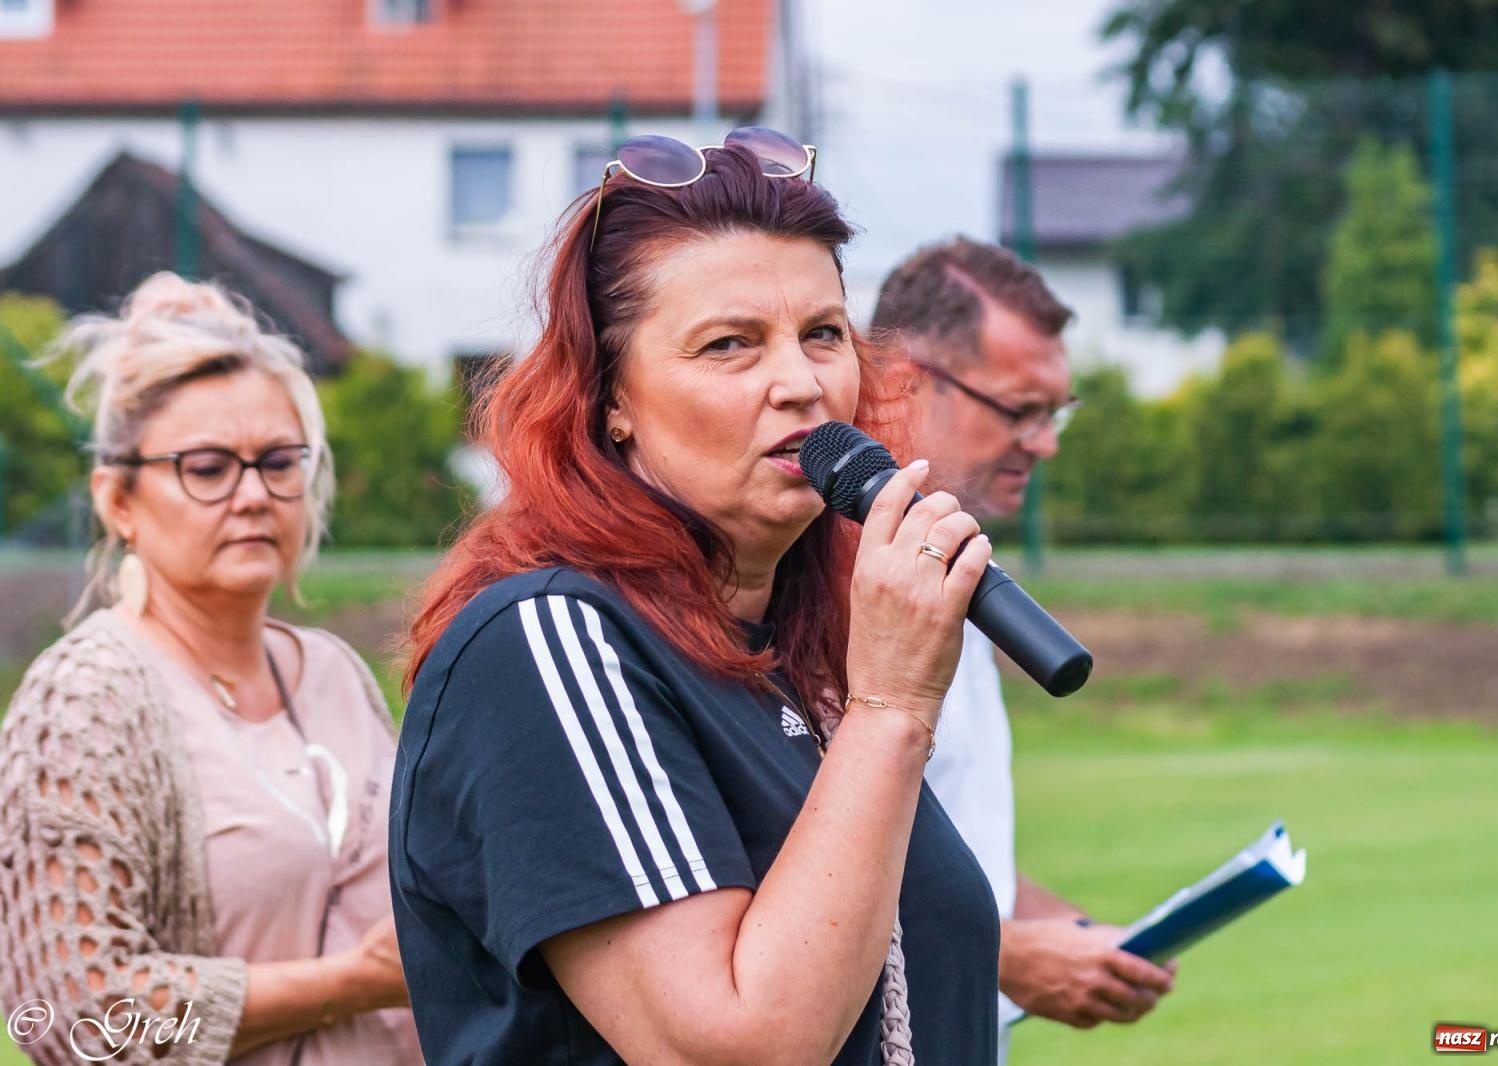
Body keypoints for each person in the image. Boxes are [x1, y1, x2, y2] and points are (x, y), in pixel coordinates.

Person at [391, 129, 1001, 1064]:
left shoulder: (800, 650)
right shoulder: (547, 644)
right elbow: (738, 1049)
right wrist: (891, 709)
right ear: (610, 400)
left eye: (823, 334)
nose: (800, 384)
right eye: (730, 345)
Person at [0, 274, 421, 1065]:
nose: (254, 494)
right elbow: (72, 1018)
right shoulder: (87, 700)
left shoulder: (333, 672)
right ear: (117, 500)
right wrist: (350, 982)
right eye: (206, 467)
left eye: (277, 461)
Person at [872, 237, 1177, 1057]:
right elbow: (786, 864)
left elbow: (944, 854)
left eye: (1057, 411)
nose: (1045, 441)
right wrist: (1007, 956)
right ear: (904, 385)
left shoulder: (952, 569)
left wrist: (1073, 934)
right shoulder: (837, 587)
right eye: (1019, 408)